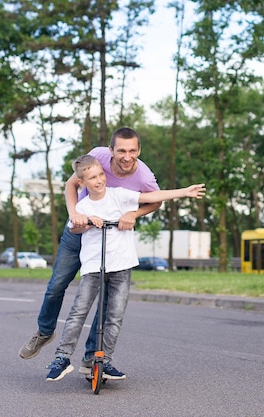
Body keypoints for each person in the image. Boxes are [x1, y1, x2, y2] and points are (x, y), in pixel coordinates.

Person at [45, 155, 206, 381]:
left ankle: (104, 360)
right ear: (82, 183)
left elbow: (151, 196)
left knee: (115, 316)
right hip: (93, 268)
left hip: (121, 267)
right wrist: (86, 220)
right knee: (78, 311)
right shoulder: (82, 207)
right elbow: (74, 229)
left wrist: (183, 192)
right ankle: (62, 357)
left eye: (101, 174)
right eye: (92, 177)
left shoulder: (119, 195)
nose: (99, 180)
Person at [19, 127, 161, 373]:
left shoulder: (144, 177)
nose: (127, 157)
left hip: (108, 236)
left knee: (105, 302)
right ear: (111, 151)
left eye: (132, 151)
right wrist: (74, 214)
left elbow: (156, 199)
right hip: (79, 231)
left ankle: (93, 360)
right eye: (121, 151)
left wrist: (133, 213)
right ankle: (44, 331)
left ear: (139, 150)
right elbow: (71, 184)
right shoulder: (97, 157)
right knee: (56, 285)